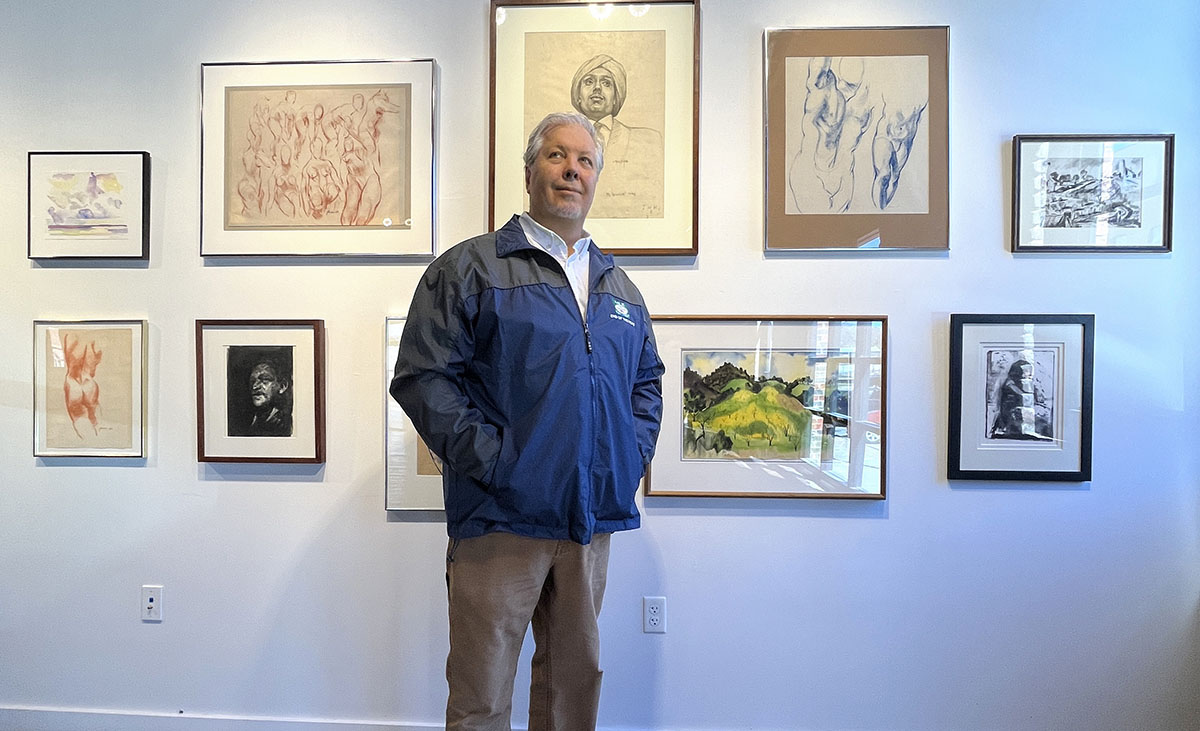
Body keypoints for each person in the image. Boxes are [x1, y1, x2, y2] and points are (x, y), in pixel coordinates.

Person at [390, 112, 664, 731]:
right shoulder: (470, 269)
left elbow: (647, 384)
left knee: (574, 692)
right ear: (530, 170)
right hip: (499, 522)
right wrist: (499, 464)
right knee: (482, 694)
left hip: (589, 523)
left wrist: (626, 456)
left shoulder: (618, 286)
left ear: (596, 178)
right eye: (557, 156)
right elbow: (422, 377)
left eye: (585, 161)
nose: (572, 170)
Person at [569, 54, 664, 218]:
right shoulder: (559, 141)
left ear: (616, 97)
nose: (597, 88)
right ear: (578, 94)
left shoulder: (649, 141)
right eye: (589, 81)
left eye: (606, 83)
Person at [244, 359, 292, 437]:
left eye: (264, 380)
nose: (255, 386)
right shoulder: (251, 422)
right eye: (252, 381)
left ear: (282, 386)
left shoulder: (285, 424)